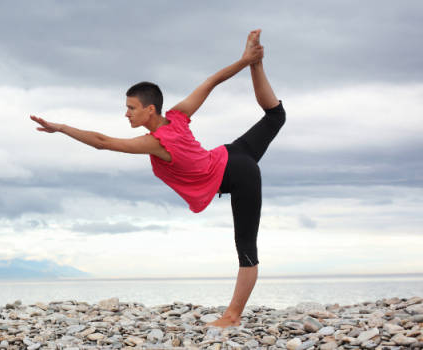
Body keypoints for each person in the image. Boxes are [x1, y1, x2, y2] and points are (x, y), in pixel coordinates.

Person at [30, 29, 285, 328]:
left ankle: (232, 316)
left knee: (245, 247)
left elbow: (102, 141)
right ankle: (258, 63)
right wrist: (246, 61)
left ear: (150, 109)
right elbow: (210, 82)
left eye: (131, 108)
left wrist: (60, 127)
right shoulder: (178, 115)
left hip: (238, 174)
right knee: (275, 116)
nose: (126, 114)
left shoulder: (158, 142)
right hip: (232, 154)